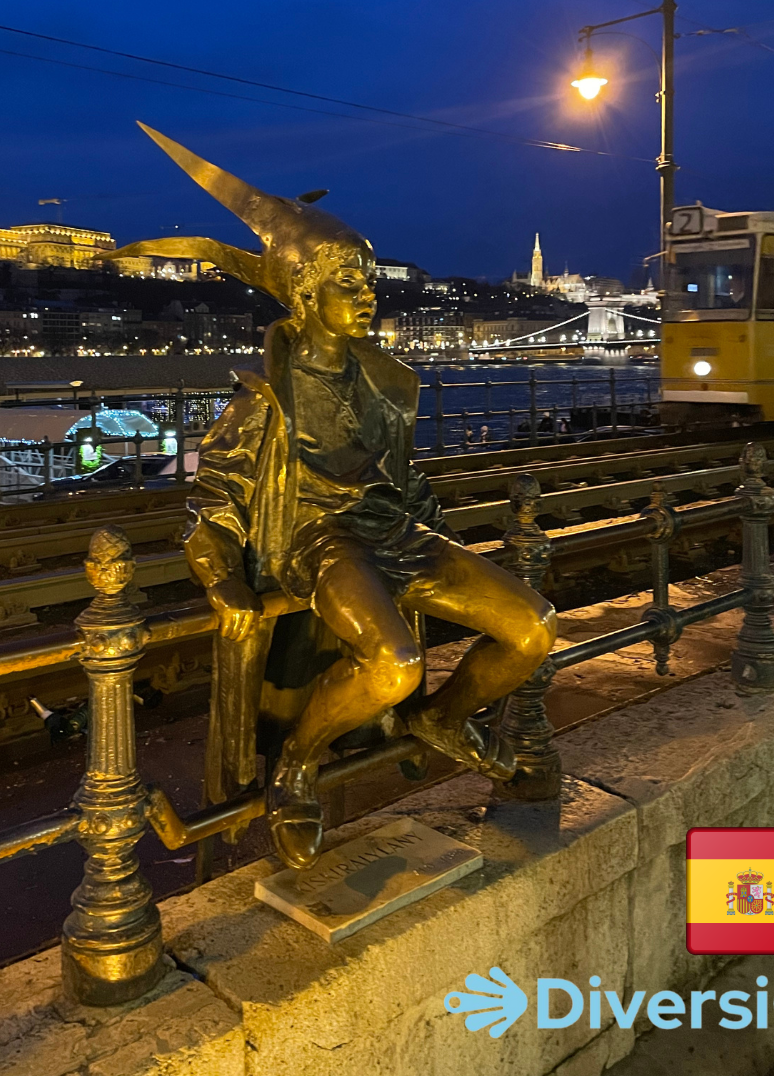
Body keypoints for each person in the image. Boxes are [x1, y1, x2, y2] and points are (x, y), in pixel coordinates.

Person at [108, 125, 557, 870]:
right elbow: (213, 508)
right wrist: (221, 580)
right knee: (393, 661)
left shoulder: (386, 385)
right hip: (321, 543)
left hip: (392, 531)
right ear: (306, 297)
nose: (368, 295)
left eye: (368, 280)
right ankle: (297, 765)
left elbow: (407, 485)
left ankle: (440, 721)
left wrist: (446, 543)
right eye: (347, 283)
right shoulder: (265, 402)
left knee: (534, 627)